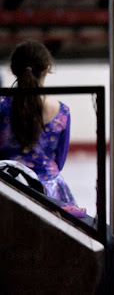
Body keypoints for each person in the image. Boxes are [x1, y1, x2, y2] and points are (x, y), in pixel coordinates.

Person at [0, 40, 76, 205]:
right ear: (47, 69)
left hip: (7, 187)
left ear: (14, 70)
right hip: (50, 191)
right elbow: (59, 161)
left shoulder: (2, 106)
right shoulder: (62, 112)